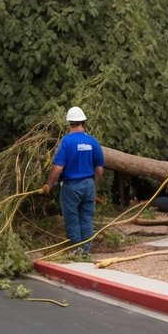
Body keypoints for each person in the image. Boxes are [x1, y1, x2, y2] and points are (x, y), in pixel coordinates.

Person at [43, 106, 104, 256]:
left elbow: (58, 168)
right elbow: (100, 170)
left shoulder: (67, 142)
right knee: (87, 219)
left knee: (72, 219)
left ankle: (76, 251)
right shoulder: (93, 142)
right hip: (89, 184)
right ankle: (86, 252)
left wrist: (49, 185)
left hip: (71, 186)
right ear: (83, 122)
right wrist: (95, 189)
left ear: (69, 122)